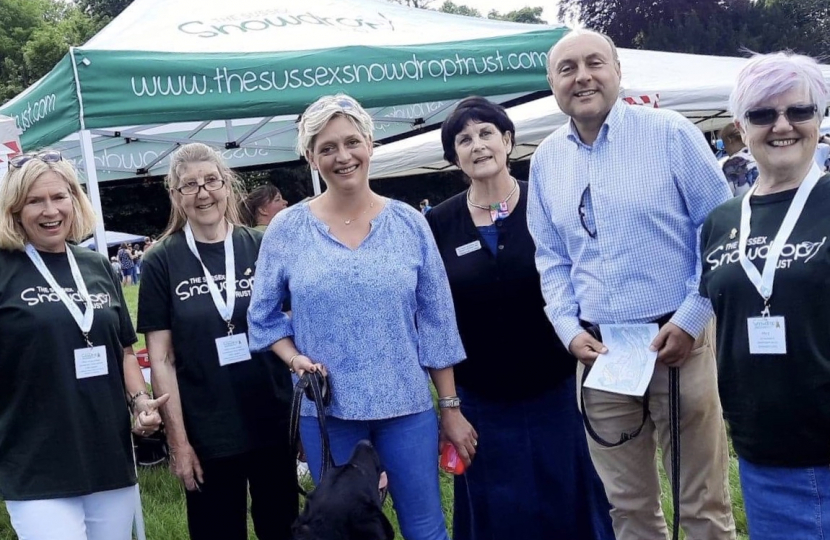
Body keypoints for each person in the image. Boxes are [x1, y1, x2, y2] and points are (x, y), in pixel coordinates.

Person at [526, 30, 736, 540]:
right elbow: (552, 260)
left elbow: (721, 234)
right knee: (628, 509)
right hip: (601, 356)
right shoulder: (545, 160)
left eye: (594, 63)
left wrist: (690, 320)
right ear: (552, 82)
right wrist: (567, 330)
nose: (582, 77)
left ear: (618, 70)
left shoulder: (669, 133)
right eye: (567, 68)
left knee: (701, 504)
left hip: (678, 342)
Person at [248, 93, 475, 540]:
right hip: (327, 413)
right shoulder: (287, 230)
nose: (342, 156)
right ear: (310, 156)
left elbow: (437, 323)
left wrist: (449, 407)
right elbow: (263, 318)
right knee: (338, 533)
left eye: (352, 142)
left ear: (370, 143)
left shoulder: (410, 223)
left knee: (426, 528)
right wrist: (295, 360)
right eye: (327, 147)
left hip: (406, 407)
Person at [426, 96, 614, 540]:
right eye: (464, 139)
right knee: (500, 513)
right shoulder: (437, 223)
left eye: (487, 132)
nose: (478, 145)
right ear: (454, 157)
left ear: (508, 140)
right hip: (481, 401)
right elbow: (433, 316)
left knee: (570, 502)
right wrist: (449, 406)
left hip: (556, 389)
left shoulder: (548, 201)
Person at [0, 151, 166, 540]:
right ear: (15, 209)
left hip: (108, 453)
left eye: (59, 197)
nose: (50, 210)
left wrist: (141, 403)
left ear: (75, 200)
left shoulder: (96, 266)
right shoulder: (4, 268)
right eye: (35, 201)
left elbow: (124, 350)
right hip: (35, 459)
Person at [137, 142, 297, 540]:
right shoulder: (161, 260)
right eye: (189, 185)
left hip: (271, 419)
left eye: (211, 180)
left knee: (283, 528)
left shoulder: (262, 245)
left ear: (228, 186)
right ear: (175, 195)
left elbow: (293, 326)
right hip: (207, 431)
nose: (203, 192)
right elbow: (161, 358)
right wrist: (178, 442)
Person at [700, 51, 830, 539]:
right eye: (763, 113)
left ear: (818, 119)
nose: (782, 125)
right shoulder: (721, 221)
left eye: (799, 111)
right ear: (741, 124)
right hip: (762, 456)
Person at [720, 121, 759, 196]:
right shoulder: (759, 154)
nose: (725, 148)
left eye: (724, 144)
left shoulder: (732, 164)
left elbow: (725, 194)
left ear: (729, 140)